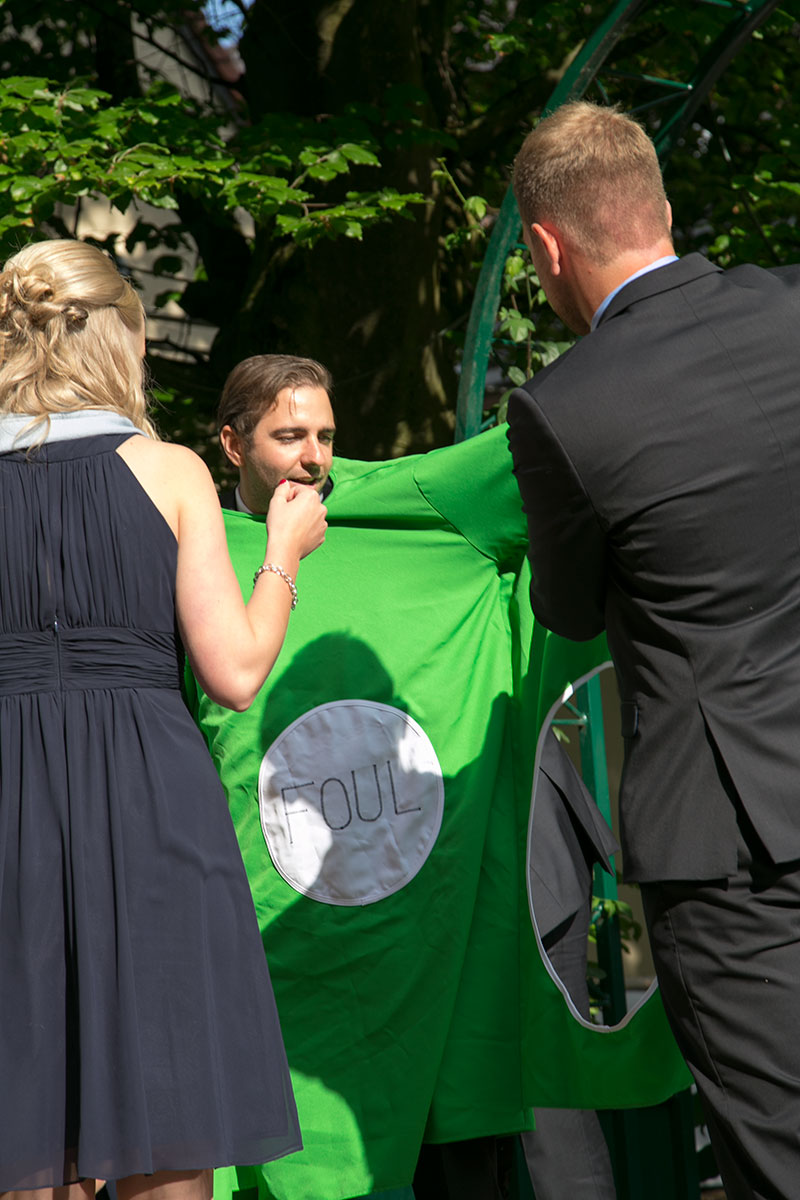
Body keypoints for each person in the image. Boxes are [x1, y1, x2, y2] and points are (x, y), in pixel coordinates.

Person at [213, 354, 616, 1200]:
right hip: (282, 954)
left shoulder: (416, 507)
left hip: (442, 938)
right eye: (289, 436)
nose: (314, 457)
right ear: (231, 444)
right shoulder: (195, 552)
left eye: (326, 435)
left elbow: (562, 443)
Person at [507, 99, 800, 1200]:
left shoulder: (564, 408)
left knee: (776, 1149)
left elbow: (569, 611)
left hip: (727, 845)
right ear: (662, 207)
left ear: (547, 247)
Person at [0, 239, 327, 1200]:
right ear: (118, 342)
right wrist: (283, 553)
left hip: (13, 804)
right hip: (151, 805)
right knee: (171, 1102)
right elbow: (236, 671)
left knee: (27, 1102)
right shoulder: (171, 471)